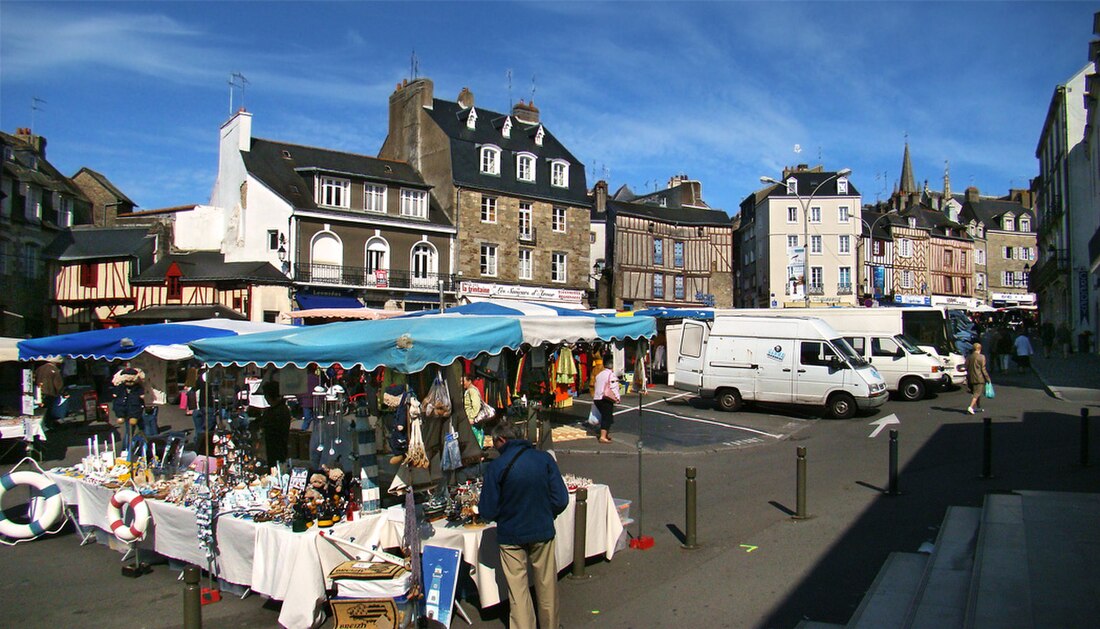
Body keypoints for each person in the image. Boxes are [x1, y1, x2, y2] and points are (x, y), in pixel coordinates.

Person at [478, 422, 569, 629]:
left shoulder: (496, 466)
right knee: (547, 586)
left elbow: (487, 510)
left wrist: (503, 514)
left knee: (517, 590)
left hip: (511, 533)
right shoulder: (544, 459)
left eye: (494, 443)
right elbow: (561, 499)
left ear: (502, 440)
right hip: (541, 528)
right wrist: (547, 513)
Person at [258, 380, 292, 463]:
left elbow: (267, 425)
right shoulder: (279, 409)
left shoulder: (278, 411)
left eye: (266, 395)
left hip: (276, 447)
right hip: (274, 447)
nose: (265, 398)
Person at [112, 367, 145, 447]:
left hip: (134, 409)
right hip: (126, 410)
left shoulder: (137, 387)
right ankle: (127, 447)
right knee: (130, 430)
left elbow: (141, 395)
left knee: (133, 428)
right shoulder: (121, 387)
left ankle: (130, 446)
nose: (129, 383)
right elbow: (115, 395)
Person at [591, 354, 619, 444]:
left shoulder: (600, 374)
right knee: (606, 417)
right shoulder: (611, 375)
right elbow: (614, 387)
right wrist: (617, 397)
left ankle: (605, 434)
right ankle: (603, 436)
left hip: (597, 397)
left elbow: (595, 385)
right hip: (606, 398)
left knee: (605, 416)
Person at [34, 357, 64, 429]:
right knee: (48, 410)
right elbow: (58, 384)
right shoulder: (54, 370)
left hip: (40, 392)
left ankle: (41, 425)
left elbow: (35, 379)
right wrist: (62, 392)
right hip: (49, 392)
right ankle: (48, 425)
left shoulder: (39, 369)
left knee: (41, 410)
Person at [965, 342, 990, 415]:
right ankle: (971, 407)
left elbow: (966, 367)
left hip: (970, 377)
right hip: (979, 377)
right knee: (977, 393)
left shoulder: (969, 357)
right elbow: (983, 369)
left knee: (975, 392)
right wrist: (988, 378)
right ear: (980, 349)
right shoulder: (981, 357)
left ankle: (978, 406)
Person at [461, 374, 486, 449]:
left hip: (472, 420)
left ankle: (478, 454)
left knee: (476, 438)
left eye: (463, 381)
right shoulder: (468, 390)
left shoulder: (472, 390)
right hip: (470, 419)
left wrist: (472, 417)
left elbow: (476, 406)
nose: (461, 383)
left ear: (469, 381)